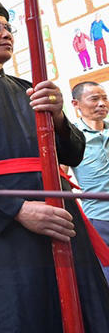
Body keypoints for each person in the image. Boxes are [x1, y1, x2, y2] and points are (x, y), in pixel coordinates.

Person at [0, 0, 109, 332]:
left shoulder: (32, 90)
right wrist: (18, 209)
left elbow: (72, 154)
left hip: (59, 210)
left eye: (8, 27)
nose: (6, 33)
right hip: (4, 221)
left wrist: (57, 117)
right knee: (21, 310)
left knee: (82, 304)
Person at [70, 81, 109, 283]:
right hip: (100, 220)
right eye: (94, 99)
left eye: (104, 98)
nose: (102, 103)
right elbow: (61, 178)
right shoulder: (71, 138)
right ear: (76, 104)